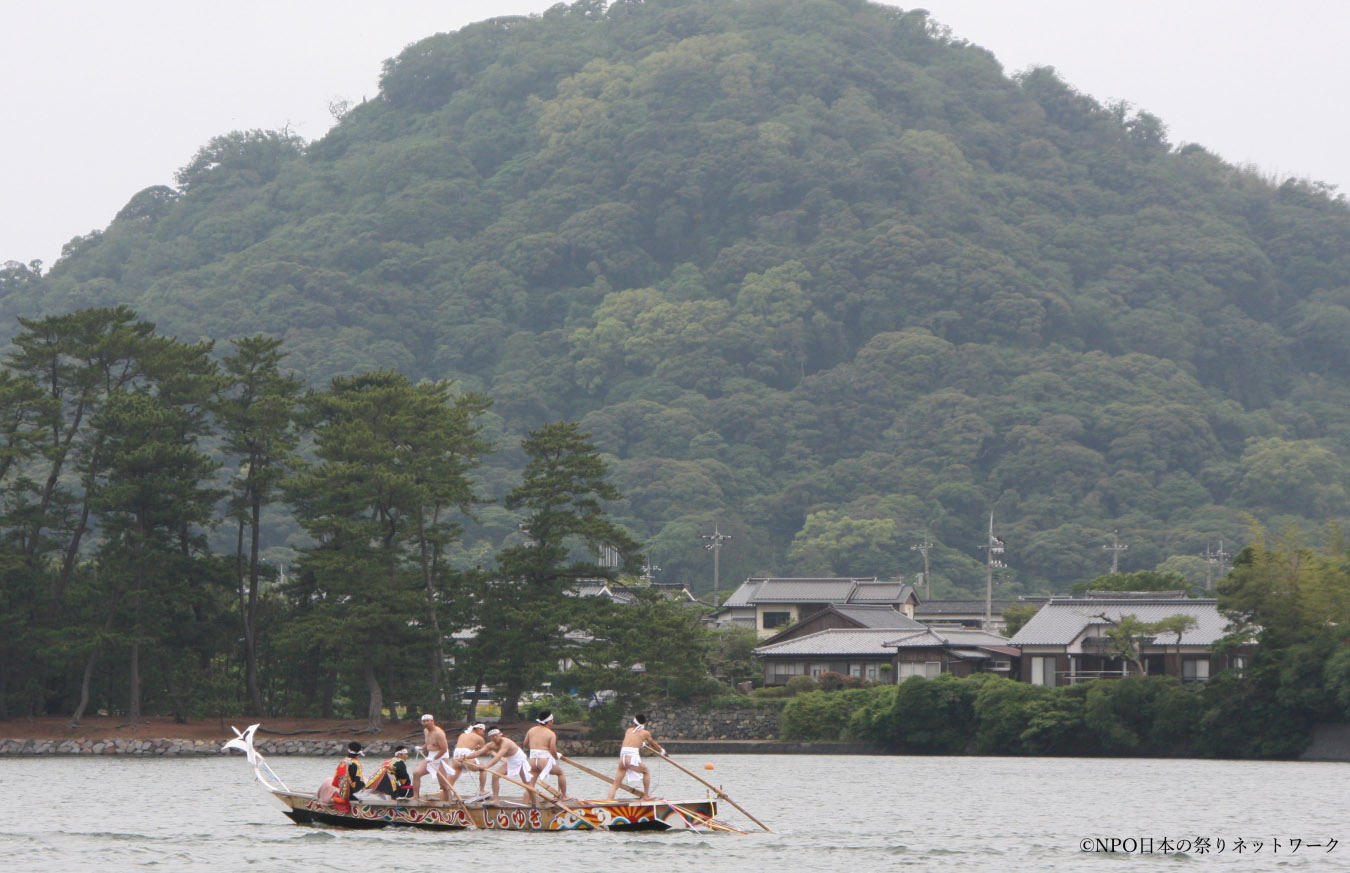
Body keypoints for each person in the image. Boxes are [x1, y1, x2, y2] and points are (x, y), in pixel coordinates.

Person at [607, 713, 666, 801]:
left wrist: (640, 743)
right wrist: (661, 751)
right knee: (646, 772)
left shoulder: (628, 730)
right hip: (630, 759)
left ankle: (609, 800)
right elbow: (653, 744)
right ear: (644, 724)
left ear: (633, 723)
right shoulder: (645, 733)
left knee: (616, 784)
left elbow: (632, 741)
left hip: (622, 759)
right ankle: (646, 796)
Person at [522, 710, 572, 805]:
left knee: (530, 784)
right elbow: (553, 750)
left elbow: (525, 744)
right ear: (549, 721)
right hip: (543, 761)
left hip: (532, 760)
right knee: (560, 772)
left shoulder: (531, 730)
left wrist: (535, 749)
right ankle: (564, 796)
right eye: (552, 720)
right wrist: (555, 757)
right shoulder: (551, 733)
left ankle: (525, 803)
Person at [468, 728, 529, 802]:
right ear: (490, 737)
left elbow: (498, 757)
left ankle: (533, 801)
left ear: (500, 734)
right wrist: (465, 757)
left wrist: (487, 766)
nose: (495, 737)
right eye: (492, 736)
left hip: (519, 759)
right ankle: (496, 799)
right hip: (510, 760)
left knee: (527, 783)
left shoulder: (506, 743)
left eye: (496, 735)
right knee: (495, 776)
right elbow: (478, 752)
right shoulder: (490, 745)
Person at [412, 713, 450, 800]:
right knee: (416, 773)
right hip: (431, 755)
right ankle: (415, 796)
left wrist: (434, 758)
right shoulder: (426, 731)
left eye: (428, 721)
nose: (426, 723)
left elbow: (444, 749)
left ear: (432, 721)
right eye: (424, 721)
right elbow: (429, 743)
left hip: (441, 757)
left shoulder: (439, 733)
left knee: (443, 784)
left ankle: (448, 801)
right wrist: (422, 748)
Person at [446, 723, 489, 800]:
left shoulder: (462, 735)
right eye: (483, 731)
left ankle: (448, 792)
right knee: (484, 768)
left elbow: (464, 747)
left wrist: (475, 748)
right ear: (479, 729)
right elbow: (485, 752)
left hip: (456, 758)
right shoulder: (479, 738)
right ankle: (482, 790)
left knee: (456, 773)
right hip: (465, 758)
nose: (483, 733)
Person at [329, 741, 366, 811]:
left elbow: (336, 778)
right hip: (350, 793)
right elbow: (358, 780)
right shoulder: (356, 763)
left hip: (342, 791)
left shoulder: (343, 761)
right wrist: (364, 788)